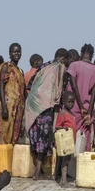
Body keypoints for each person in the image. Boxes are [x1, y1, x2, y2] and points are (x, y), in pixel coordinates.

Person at [25, 49, 68, 179]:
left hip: (33, 106)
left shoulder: (44, 66)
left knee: (36, 138)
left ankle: (39, 171)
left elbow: (30, 85)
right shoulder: (59, 68)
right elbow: (59, 92)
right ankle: (37, 172)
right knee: (43, 140)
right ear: (63, 58)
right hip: (45, 108)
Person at [66, 44, 95, 153]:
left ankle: (67, 166)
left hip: (72, 105)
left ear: (81, 54)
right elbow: (94, 92)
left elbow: (74, 85)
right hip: (87, 107)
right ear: (92, 55)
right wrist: (89, 112)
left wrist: (80, 106)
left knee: (70, 134)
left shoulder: (74, 65)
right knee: (84, 137)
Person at [0, 43, 27, 145]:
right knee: (4, 133)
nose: (17, 53)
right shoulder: (6, 67)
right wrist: (4, 107)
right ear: (10, 53)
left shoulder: (20, 71)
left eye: (18, 51)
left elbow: (24, 91)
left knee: (14, 136)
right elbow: (2, 87)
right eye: (14, 51)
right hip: (8, 106)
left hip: (18, 108)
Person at [54, 91, 78, 186]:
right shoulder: (62, 113)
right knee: (65, 160)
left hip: (69, 142)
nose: (71, 104)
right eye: (69, 102)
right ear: (63, 101)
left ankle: (62, 179)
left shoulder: (71, 113)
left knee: (65, 160)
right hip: (63, 142)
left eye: (72, 102)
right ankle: (64, 181)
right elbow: (57, 126)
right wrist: (64, 128)